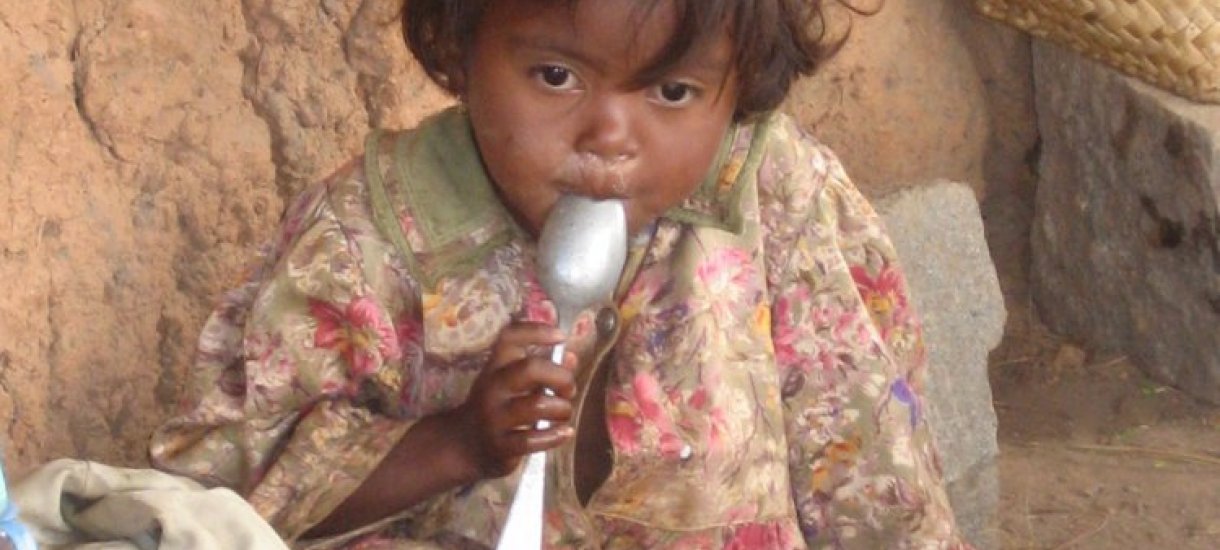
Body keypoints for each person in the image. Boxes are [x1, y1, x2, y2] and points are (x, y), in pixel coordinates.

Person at [150, 0, 971, 547]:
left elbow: (870, 465)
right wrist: (456, 443)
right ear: (456, 49)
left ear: (742, 90)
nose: (609, 135)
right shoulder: (366, 233)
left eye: (674, 91)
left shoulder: (775, 193)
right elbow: (218, 508)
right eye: (555, 76)